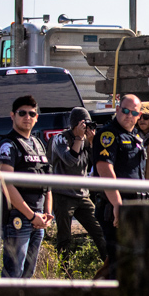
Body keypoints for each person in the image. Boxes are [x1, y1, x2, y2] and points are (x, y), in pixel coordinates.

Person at [0, 95, 54, 296]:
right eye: (22, 113)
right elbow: (6, 183)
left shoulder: (39, 144)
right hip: (18, 219)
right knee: (13, 273)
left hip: (39, 219)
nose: (27, 117)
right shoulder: (8, 145)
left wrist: (47, 214)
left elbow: (49, 184)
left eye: (32, 113)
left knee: (27, 275)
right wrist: (31, 215)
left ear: (37, 117)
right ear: (12, 115)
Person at [93, 94, 146, 272]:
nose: (129, 115)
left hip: (134, 205)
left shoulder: (135, 135)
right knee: (120, 262)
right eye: (125, 110)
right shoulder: (108, 134)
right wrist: (117, 204)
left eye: (134, 113)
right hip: (116, 206)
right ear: (117, 109)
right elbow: (105, 170)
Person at [51, 106, 107, 266]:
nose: (86, 128)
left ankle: (109, 268)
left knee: (100, 232)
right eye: (84, 124)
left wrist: (92, 143)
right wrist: (79, 140)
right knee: (64, 238)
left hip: (82, 195)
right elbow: (70, 160)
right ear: (75, 124)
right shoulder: (60, 138)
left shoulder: (86, 141)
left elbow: (96, 163)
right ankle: (64, 274)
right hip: (63, 194)